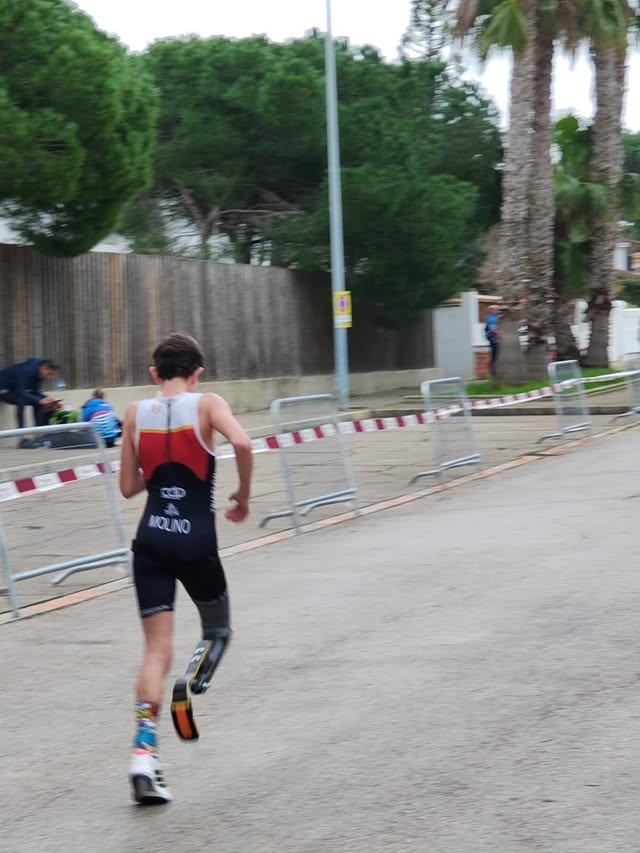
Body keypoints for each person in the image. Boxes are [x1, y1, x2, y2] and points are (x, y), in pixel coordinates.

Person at [119, 332, 253, 805]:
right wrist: (243, 495)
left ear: (154, 374)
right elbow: (244, 444)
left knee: (155, 650)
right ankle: (192, 682)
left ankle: (143, 754)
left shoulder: (136, 413)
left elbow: (128, 488)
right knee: (218, 631)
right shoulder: (208, 403)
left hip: (151, 539)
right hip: (196, 542)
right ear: (198, 372)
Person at [0, 358, 60, 446]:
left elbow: (35, 392)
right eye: (49, 374)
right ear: (43, 368)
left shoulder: (38, 374)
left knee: (41, 402)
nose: (49, 378)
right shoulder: (26, 371)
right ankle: (21, 437)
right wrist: (40, 400)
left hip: (13, 390)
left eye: (51, 375)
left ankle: (40, 434)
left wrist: (48, 399)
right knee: (22, 400)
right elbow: (21, 391)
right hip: (3, 389)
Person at [484, 304, 501, 378]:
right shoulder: (491, 318)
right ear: (492, 311)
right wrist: (499, 334)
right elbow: (493, 329)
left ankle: (494, 371)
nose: (498, 311)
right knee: (495, 355)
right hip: (494, 339)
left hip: (494, 339)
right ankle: (493, 372)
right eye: (496, 310)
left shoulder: (493, 317)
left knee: (495, 355)